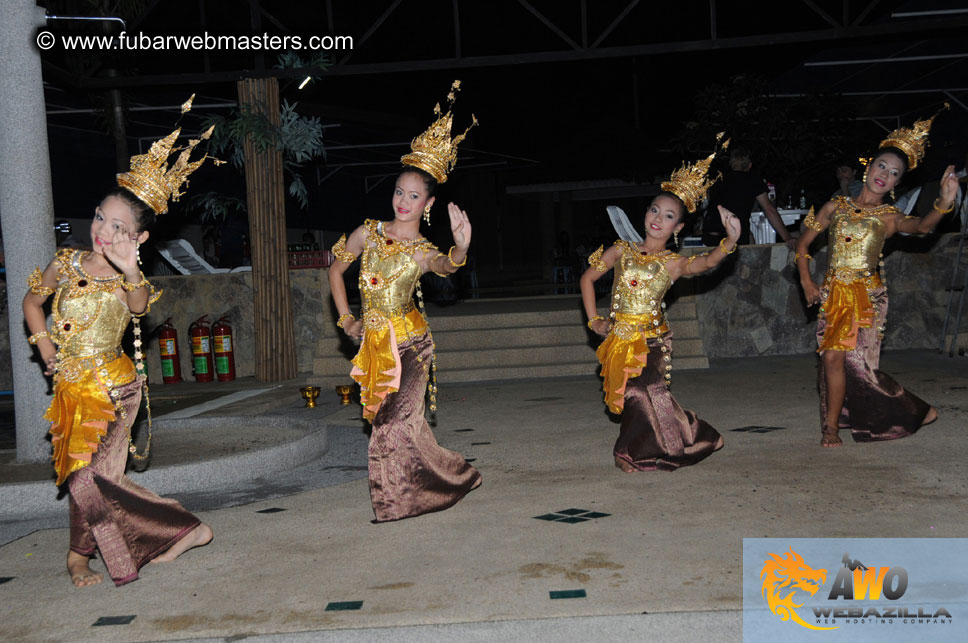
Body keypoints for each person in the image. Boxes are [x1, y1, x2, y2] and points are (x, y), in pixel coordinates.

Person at [22, 101, 216, 587]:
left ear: (140, 237)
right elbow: (31, 303)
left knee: (92, 479)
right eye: (100, 219)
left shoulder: (133, 278)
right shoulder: (66, 264)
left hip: (115, 392)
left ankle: (178, 531)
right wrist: (47, 353)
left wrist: (131, 271)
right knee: (82, 477)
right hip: (70, 389)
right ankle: (105, 545)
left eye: (118, 228)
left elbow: (138, 306)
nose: (103, 232)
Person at [328, 81, 481, 522]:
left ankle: (393, 504)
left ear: (428, 204)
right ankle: (453, 477)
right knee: (400, 426)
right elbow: (335, 270)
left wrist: (461, 251)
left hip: (412, 347)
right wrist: (346, 320)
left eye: (414, 196)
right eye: (399, 192)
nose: (403, 201)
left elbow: (442, 265)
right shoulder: (368, 232)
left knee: (390, 426)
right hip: (373, 345)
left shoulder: (420, 249)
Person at [795, 106, 957, 447]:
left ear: (898, 182)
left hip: (868, 297)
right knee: (831, 358)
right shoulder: (834, 206)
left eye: (895, 173)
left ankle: (913, 409)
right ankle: (831, 428)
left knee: (858, 367)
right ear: (869, 166)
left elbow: (923, 226)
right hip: (833, 294)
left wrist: (944, 202)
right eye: (882, 166)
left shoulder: (890, 217)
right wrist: (808, 281)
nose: (885, 174)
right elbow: (803, 246)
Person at [580, 134, 739, 472]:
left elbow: (706, 264)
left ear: (678, 227)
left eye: (668, 216)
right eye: (654, 209)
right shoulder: (621, 249)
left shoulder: (672, 262)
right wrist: (594, 320)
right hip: (619, 337)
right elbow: (587, 279)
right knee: (631, 397)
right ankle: (701, 434)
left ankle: (629, 452)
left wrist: (729, 242)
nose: (657, 218)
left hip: (653, 340)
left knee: (646, 388)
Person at [702, 146, 796, 249]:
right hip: (735, 235)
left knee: (749, 235)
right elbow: (769, 209)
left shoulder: (718, 179)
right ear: (750, 165)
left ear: (731, 163)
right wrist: (787, 237)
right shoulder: (753, 180)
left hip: (710, 234)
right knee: (747, 238)